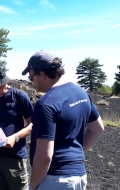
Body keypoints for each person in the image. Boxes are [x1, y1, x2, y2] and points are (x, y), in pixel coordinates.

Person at [21, 50, 104, 190]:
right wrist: (75, 155)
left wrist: (33, 186)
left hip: (55, 179)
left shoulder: (46, 104)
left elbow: (45, 155)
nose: (32, 82)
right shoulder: (82, 93)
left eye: (31, 77)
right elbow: (97, 128)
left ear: (42, 75)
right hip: (79, 176)